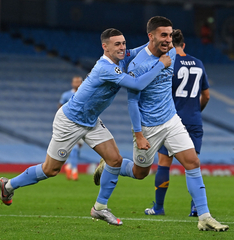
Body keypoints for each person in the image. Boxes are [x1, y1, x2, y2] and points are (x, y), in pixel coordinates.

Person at [0, 28, 171, 226]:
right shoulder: (105, 67)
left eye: (123, 43)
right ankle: (8, 185)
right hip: (70, 121)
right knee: (50, 169)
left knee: (114, 160)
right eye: (117, 44)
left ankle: (100, 208)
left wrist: (160, 41)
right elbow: (137, 85)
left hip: (91, 120)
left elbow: (144, 49)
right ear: (104, 47)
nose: (122, 47)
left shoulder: (123, 56)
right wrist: (160, 65)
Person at [94, 17, 229, 231]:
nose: (168, 39)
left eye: (171, 34)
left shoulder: (173, 52)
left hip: (172, 120)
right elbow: (132, 102)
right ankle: (112, 166)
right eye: (163, 35)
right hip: (148, 128)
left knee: (192, 162)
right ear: (151, 36)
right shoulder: (138, 65)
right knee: (141, 173)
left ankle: (204, 217)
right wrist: (139, 134)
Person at [144, 29, 210, 217]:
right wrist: (196, 111)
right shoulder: (198, 63)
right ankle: (196, 207)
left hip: (171, 120)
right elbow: (206, 96)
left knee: (164, 163)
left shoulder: (167, 63)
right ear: (184, 45)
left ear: (170, 45)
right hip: (194, 120)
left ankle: (158, 208)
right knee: (193, 165)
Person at [58, 76, 83, 181]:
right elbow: (60, 107)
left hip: (83, 124)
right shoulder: (66, 95)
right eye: (75, 81)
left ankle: (69, 166)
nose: (77, 83)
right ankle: (74, 170)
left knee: (78, 147)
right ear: (72, 83)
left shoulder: (85, 94)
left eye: (78, 81)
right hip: (70, 125)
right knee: (75, 147)